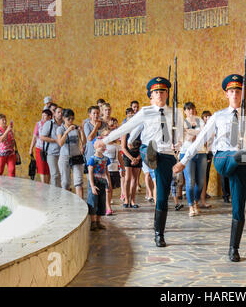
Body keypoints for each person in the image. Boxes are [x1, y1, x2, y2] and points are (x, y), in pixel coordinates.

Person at [173, 74, 246, 262]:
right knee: (238, 155)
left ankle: (234, 248)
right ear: (226, 95)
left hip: (242, 163)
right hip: (222, 157)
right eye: (232, 91)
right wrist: (184, 160)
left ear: (244, 93)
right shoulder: (219, 116)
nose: (235, 94)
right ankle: (239, 155)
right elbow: (201, 138)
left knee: (238, 206)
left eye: (239, 91)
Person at [100, 77, 184, 247]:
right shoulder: (146, 111)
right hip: (148, 149)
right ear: (150, 95)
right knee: (151, 150)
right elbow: (126, 127)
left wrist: (179, 144)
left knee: (162, 195)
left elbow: (180, 136)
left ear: (167, 94)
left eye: (162, 91)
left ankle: (158, 232)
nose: (159, 94)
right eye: (156, 92)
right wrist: (106, 140)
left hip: (167, 154)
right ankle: (151, 157)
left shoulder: (176, 113)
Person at [179, 102, 208, 217]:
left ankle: (196, 201)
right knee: (190, 181)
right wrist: (197, 133)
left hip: (201, 152)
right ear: (185, 111)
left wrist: (191, 132)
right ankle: (191, 205)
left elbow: (204, 132)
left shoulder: (200, 121)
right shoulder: (182, 122)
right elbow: (187, 136)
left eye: (192, 109)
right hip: (186, 153)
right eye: (188, 109)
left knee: (200, 182)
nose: (191, 111)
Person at [56, 108, 86, 199]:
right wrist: (67, 131)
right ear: (64, 118)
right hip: (65, 157)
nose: (71, 121)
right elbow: (60, 143)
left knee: (78, 181)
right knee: (65, 182)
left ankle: (80, 204)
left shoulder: (76, 128)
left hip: (76, 157)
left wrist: (82, 131)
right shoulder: (60, 129)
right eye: (68, 119)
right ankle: (66, 203)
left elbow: (83, 142)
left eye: (72, 119)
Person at [87, 139, 112, 231]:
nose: (103, 148)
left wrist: (108, 183)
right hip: (94, 182)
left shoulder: (106, 159)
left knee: (102, 202)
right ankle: (93, 222)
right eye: (100, 146)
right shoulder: (92, 159)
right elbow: (90, 172)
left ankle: (98, 221)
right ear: (95, 147)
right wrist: (92, 185)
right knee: (93, 201)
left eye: (104, 146)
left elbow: (107, 172)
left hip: (102, 182)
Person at [39, 106, 63, 187]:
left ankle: (60, 193)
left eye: (62, 112)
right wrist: (55, 140)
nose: (60, 114)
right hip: (51, 152)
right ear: (54, 114)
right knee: (55, 174)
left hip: (63, 153)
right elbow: (42, 137)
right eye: (58, 112)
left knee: (62, 175)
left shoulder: (64, 124)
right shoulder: (49, 123)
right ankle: (55, 194)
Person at [29, 109, 53, 184]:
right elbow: (35, 137)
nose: (42, 117)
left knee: (48, 168)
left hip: (50, 149)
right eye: (42, 115)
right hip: (40, 149)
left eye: (44, 116)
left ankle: (47, 184)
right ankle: (43, 184)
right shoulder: (38, 124)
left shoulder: (53, 124)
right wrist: (31, 148)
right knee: (41, 168)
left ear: (50, 117)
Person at [200, 110, 213, 207]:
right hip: (201, 152)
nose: (207, 118)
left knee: (206, 175)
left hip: (209, 152)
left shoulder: (211, 128)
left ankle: (204, 193)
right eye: (206, 117)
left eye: (209, 116)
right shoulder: (201, 127)